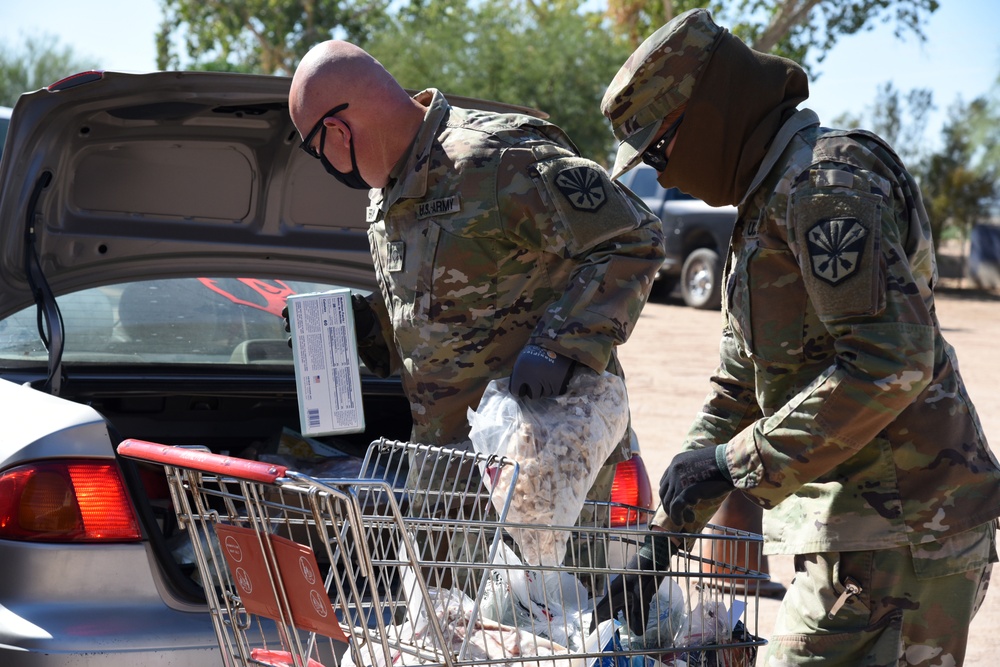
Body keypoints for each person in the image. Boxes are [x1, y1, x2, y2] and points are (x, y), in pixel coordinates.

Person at [598, 8, 1000, 665]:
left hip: (908, 534)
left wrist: (734, 463)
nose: (663, 176)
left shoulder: (823, 183)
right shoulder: (763, 213)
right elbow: (736, 395)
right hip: (859, 538)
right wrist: (658, 551)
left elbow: (891, 361)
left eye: (659, 150)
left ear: (708, 113)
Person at [287, 41, 664, 514]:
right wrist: (365, 328)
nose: (326, 167)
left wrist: (561, 344)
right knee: (443, 593)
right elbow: (435, 311)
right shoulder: (387, 196)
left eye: (318, 150)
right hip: (449, 481)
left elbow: (633, 236)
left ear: (338, 130)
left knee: (567, 593)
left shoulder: (497, 160)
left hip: (548, 475)